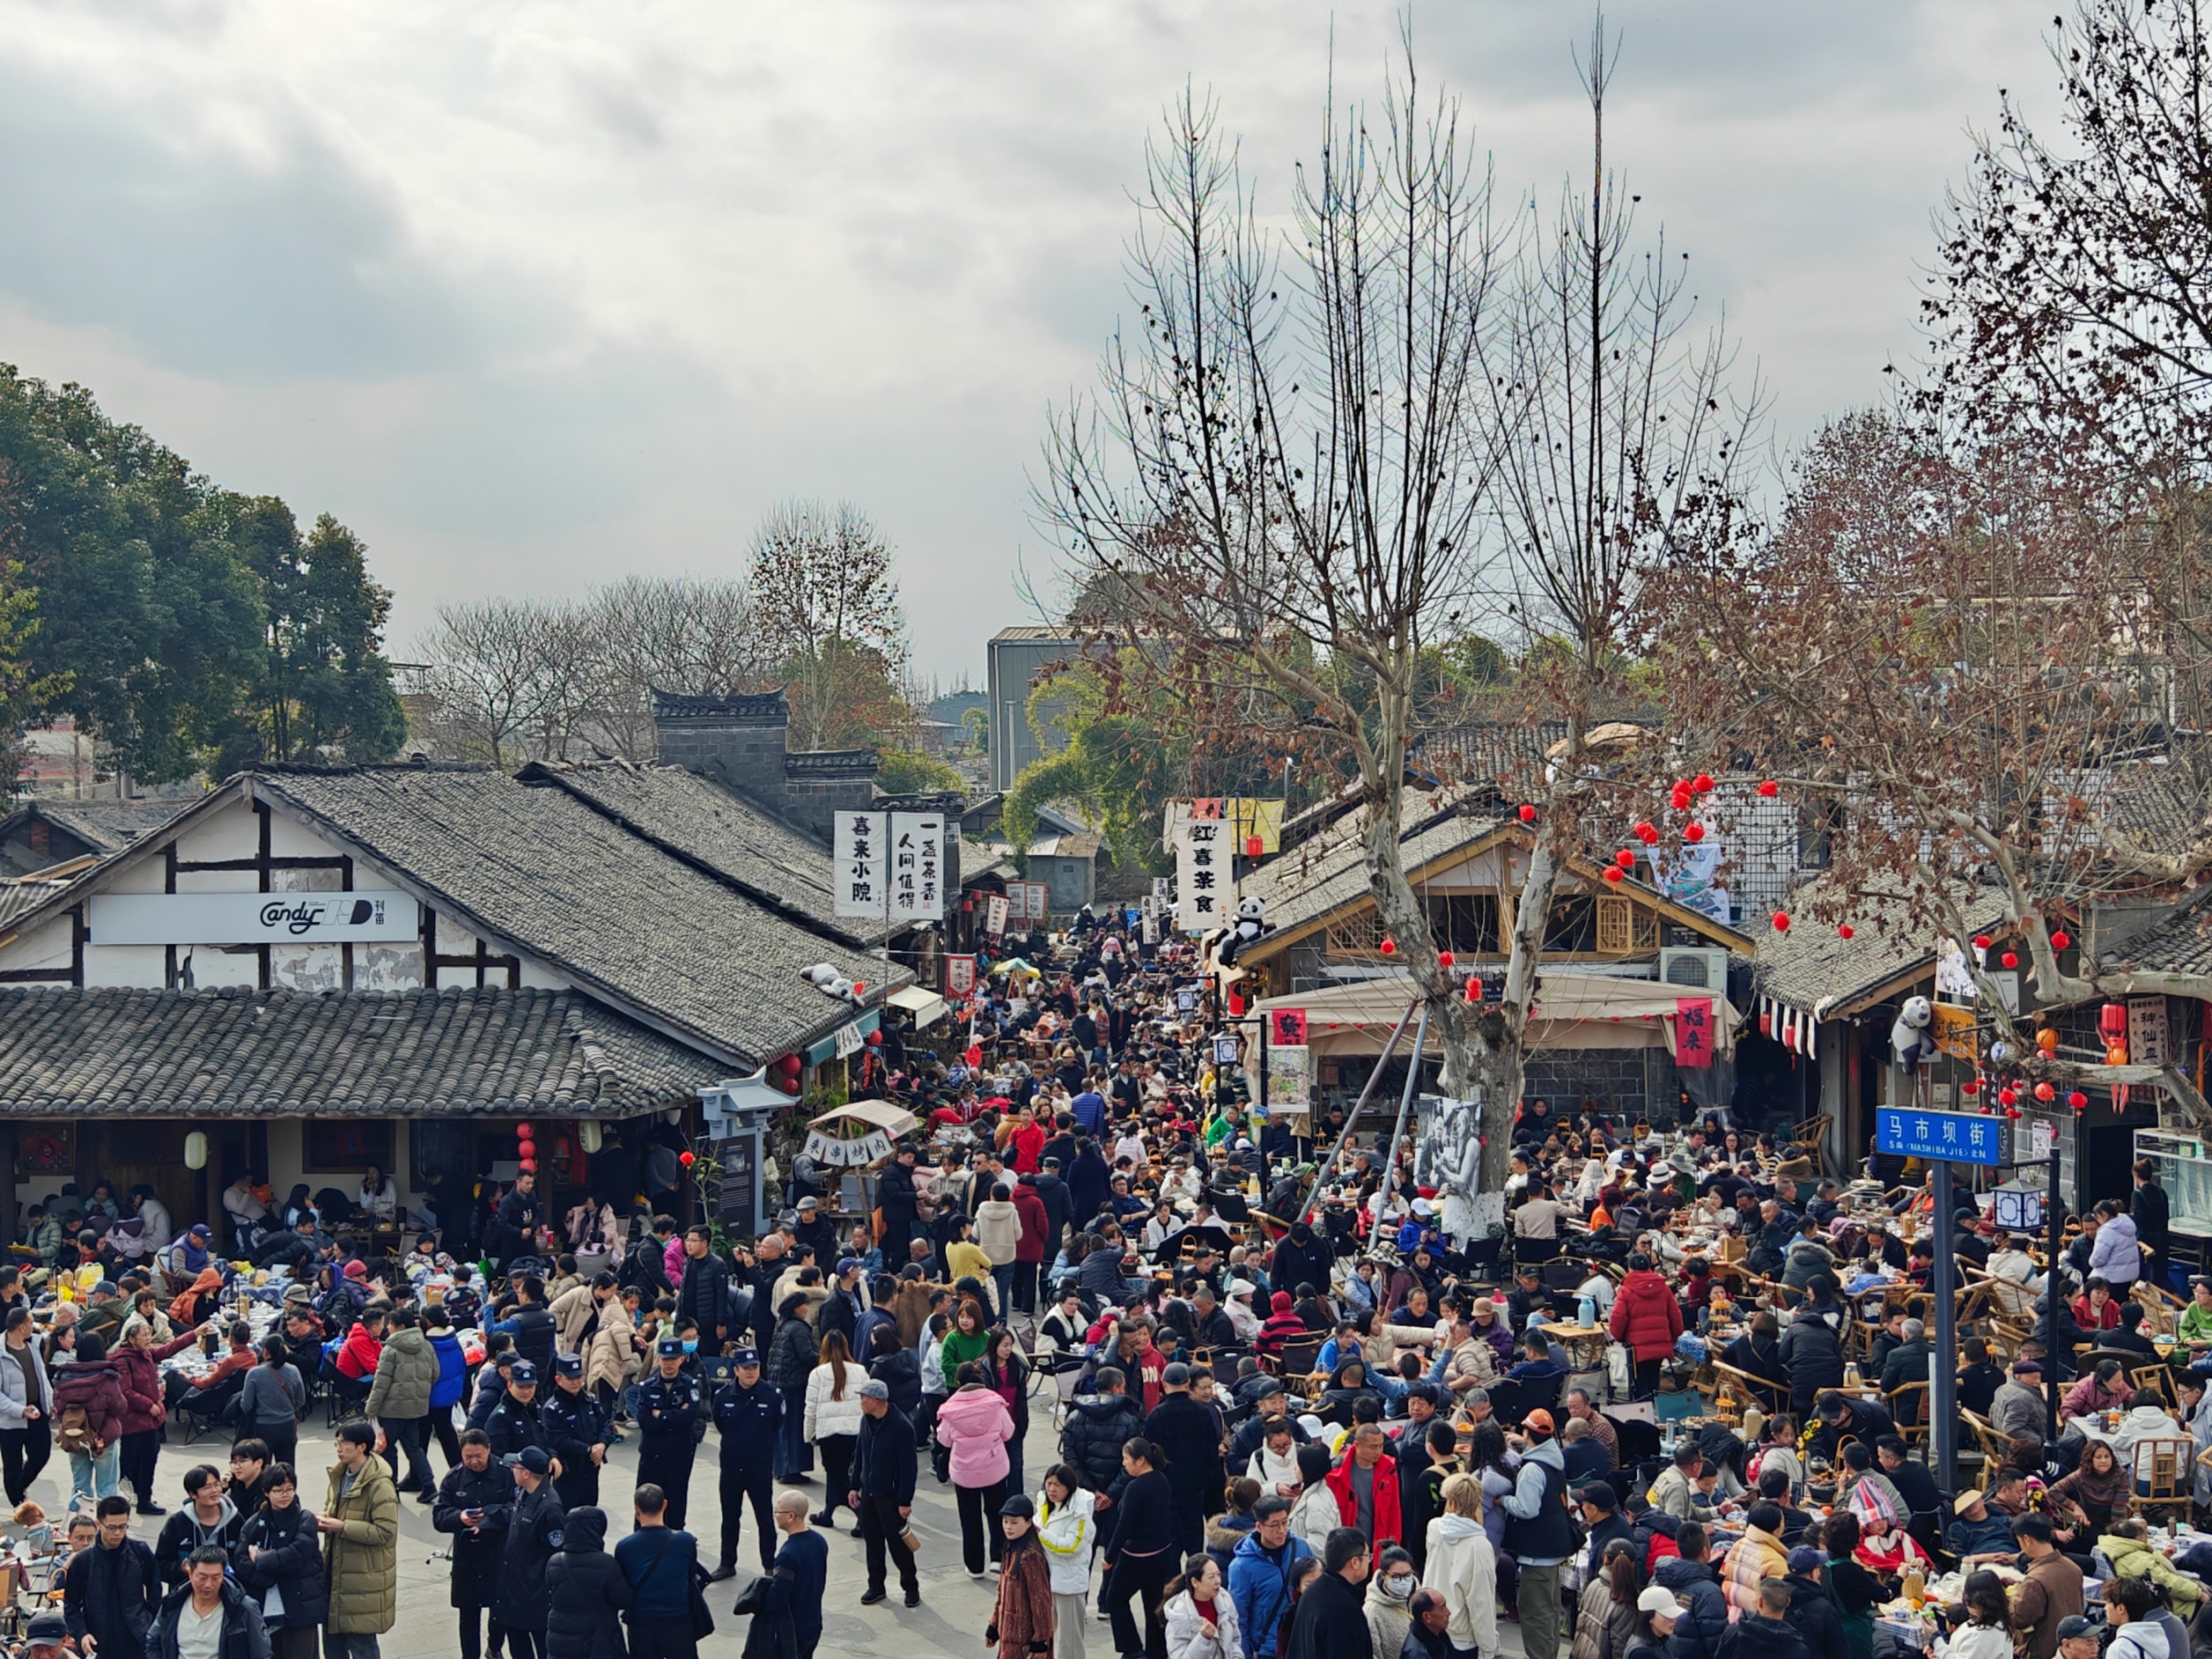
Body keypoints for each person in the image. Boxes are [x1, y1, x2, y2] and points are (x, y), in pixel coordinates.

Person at [316, 1420, 398, 1659]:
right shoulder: (340, 1475)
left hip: (363, 1579)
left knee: (362, 1646)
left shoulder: (380, 1484)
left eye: (344, 1444)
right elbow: (332, 1510)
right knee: (333, 1646)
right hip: (336, 1572)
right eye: (337, 1443)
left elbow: (385, 1532)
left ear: (362, 1447)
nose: (338, 1449)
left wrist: (343, 1527)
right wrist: (320, 1520)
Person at [431, 1430, 512, 1659]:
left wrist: (489, 1517)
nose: (474, 1461)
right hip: (467, 1557)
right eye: (468, 1457)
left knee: (500, 1611)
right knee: (468, 1615)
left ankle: (494, 1647)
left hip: (498, 1553)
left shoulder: (506, 1474)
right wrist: (460, 1518)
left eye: (479, 1455)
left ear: (488, 1449)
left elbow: (515, 1508)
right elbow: (439, 1516)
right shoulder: (453, 1478)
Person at [236, 1462, 326, 1659]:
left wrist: (261, 1559)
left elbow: (297, 1554)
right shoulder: (254, 1522)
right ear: (266, 1492)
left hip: (300, 1605)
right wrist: (267, 1577)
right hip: (264, 1606)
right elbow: (241, 1561)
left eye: (289, 1489)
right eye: (278, 1490)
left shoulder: (305, 1518)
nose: (285, 1495)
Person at [846, 1375, 920, 1608]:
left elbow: (909, 1467)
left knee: (898, 1545)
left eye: (864, 1398)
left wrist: (904, 1500)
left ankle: (911, 1587)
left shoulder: (902, 1427)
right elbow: (860, 1454)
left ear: (877, 1400)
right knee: (873, 1543)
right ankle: (876, 1586)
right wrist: (854, 1486)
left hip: (890, 1497)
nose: (860, 1401)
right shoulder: (866, 1421)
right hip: (868, 1494)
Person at [941, 1360, 1018, 1578]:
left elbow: (944, 1439)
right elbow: (1008, 1432)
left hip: (964, 1473)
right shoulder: (995, 1404)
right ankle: (998, 1559)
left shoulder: (950, 1410)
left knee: (969, 1518)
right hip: (994, 1469)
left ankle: (974, 1566)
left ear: (959, 1382)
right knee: (997, 1515)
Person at [1106, 1438, 1180, 1659]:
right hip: (1161, 1553)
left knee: (1115, 1598)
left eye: (1126, 1459)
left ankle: (1131, 1648)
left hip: (1136, 1556)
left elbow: (1124, 1525)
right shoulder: (1162, 1480)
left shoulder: (1135, 1487)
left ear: (1140, 1460)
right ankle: (1157, 1652)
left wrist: (1109, 1556)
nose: (1124, 1464)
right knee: (1153, 1605)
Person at [710, 1345, 781, 1579]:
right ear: (736, 1370)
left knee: (764, 1518)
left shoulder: (772, 1396)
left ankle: (770, 1564)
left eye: (755, 1367)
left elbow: (776, 1425)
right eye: (746, 1368)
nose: (751, 1372)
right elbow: (720, 1424)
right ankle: (727, 1562)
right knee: (730, 1517)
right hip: (731, 1467)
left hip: (759, 1468)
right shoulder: (723, 1396)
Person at [65, 1494, 163, 1659]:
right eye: (112, 1528)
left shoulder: (140, 1552)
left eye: (123, 1527)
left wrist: (150, 1625)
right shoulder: (83, 1561)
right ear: (99, 1524)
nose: (118, 1533)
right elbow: (71, 1605)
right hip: (98, 1641)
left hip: (137, 1638)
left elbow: (155, 1592)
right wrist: (82, 1634)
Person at [363, 1307, 438, 1503]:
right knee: (414, 1447)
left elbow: (381, 1383)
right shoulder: (426, 1346)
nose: (388, 1327)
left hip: (392, 1409)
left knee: (388, 1449)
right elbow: (435, 1374)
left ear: (400, 1327)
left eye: (390, 1324)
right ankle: (429, 1485)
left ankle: (390, 1489)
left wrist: (371, 1408)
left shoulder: (391, 1350)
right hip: (416, 1408)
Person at [496, 1447, 566, 1659]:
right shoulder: (524, 1494)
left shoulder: (549, 1508)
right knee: (518, 1648)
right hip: (515, 1592)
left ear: (526, 1473)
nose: (511, 1470)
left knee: (543, 1649)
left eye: (515, 1467)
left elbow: (556, 1556)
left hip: (536, 1597)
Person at [1148, 1363, 1224, 1556]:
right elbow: (1211, 1453)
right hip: (1196, 1489)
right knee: (1195, 1545)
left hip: (1168, 1490)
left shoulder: (1156, 1415)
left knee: (1171, 1548)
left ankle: (1174, 1584)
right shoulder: (1202, 1412)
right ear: (1188, 1383)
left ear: (1164, 1383)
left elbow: (1151, 1456)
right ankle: (1195, 1583)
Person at [615, 1484, 698, 1659]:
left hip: (641, 1621)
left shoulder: (624, 1547)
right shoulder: (685, 1541)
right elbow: (690, 1574)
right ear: (665, 1504)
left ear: (637, 1509)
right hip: (678, 1618)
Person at [150, 1543, 271, 1659]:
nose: (208, 1585)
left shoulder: (243, 1609)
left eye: (215, 1578)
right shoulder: (172, 1603)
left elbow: (262, 1653)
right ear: (190, 1573)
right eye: (202, 1577)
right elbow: (153, 1640)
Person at [1423, 1471, 1496, 1659]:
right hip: (1462, 1638)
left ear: (1451, 1502)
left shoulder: (1434, 1528)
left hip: (1431, 1626)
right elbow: (1481, 1601)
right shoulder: (1480, 1545)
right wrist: (1489, 1649)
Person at [635, 1337, 706, 1529]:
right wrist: (675, 1416)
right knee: (646, 1499)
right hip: (652, 1454)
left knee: (676, 1501)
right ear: (659, 1359)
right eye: (665, 1359)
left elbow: (690, 1417)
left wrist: (661, 1415)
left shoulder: (689, 1386)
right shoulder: (647, 1387)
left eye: (673, 1359)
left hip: (678, 1454)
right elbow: (645, 1422)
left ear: (681, 1359)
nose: (669, 1364)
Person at [543, 1505, 629, 1659]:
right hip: (594, 1645)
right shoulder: (607, 1564)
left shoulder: (555, 1562)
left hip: (560, 1644)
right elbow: (623, 1599)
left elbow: (549, 1593)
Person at [55, 1329, 126, 1508]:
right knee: (107, 1487)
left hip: (75, 1436)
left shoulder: (64, 1378)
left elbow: (58, 1409)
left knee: (80, 1486)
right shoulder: (107, 1377)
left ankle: (80, 1526)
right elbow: (120, 1407)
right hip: (104, 1437)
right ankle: (107, 1526)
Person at [756, 1491, 828, 1659]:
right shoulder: (819, 1541)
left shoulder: (788, 1554)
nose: (775, 1515)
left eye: (777, 1511)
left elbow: (777, 1598)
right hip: (813, 1621)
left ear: (790, 1516)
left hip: (791, 1628)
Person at [1283, 1528, 1372, 1659]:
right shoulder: (1344, 1608)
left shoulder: (1313, 1591)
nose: (1369, 1561)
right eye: (1367, 1556)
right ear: (1355, 1562)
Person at [991, 1494, 1059, 1659]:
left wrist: (1041, 1641)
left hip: (1025, 1644)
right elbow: (1001, 1594)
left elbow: (1041, 1601)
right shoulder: (1011, 1549)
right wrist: (994, 1626)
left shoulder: (1030, 1557)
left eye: (1014, 1522)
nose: (1008, 1527)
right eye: (1005, 1521)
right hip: (1009, 1639)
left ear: (1028, 1522)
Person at [542, 1355, 612, 1514]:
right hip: (569, 1472)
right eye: (570, 1378)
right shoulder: (552, 1409)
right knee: (568, 1517)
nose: (576, 1382)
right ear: (558, 1379)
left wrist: (602, 1444)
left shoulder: (590, 1400)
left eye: (578, 1377)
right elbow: (558, 1439)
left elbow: (605, 1424)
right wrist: (589, 1450)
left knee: (590, 1515)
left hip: (591, 1469)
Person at [154, 1464, 242, 1587]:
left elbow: (243, 1561)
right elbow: (160, 1565)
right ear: (193, 1494)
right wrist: (182, 1569)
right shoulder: (177, 1522)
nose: (214, 1491)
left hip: (227, 1592)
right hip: (185, 1593)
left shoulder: (235, 1520)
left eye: (217, 1485)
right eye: (207, 1487)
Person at [2008, 1515, 2085, 1659]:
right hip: (2069, 1649)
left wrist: (2007, 1598)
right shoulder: (2072, 1567)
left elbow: (2019, 1618)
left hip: (2041, 1651)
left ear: (2027, 1539)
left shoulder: (2035, 1581)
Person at [0, 1304, 54, 1506]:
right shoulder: (2, 1352)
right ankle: (18, 1503)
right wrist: (20, 1410)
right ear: (21, 1326)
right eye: (31, 1322)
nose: (34, 1326)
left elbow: (42, 1378)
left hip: (37, 1411)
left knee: (41, 1454)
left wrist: (50, 1403)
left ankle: (19, 1489)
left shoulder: (33, 1345)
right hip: (11, 1419)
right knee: (12, 1464)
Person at [239, 1338, 308, 1475]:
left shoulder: (254, 1373)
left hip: (263, 1428)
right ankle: (288, 1493)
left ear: (265, 1351)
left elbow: (246, 1405)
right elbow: (301, 1400)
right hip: (287, 1426)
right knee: (287, 1470)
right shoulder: (293, 1370)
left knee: (262, 1470)